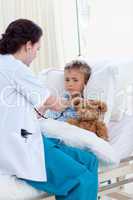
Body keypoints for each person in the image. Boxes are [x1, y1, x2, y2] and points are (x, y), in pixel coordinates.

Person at [0, 19, 98, 200]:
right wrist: (74, 100)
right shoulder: (16, 68)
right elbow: (56, 104)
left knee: (90, 160)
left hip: (25, 135)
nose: (36, 54)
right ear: (28, 45)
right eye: (37, 49)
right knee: (81, 179)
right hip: (19, 144)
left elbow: (23, 105)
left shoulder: (4, 64)